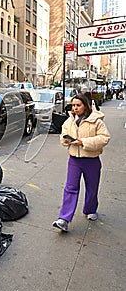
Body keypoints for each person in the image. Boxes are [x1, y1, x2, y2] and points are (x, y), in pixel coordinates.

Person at [53, 94, 110, 232]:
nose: (75, 108)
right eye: (73, 105)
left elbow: (104, 138)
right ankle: (64, 219)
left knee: (92, 187)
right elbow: (62, 136)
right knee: (70, 188)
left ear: (85, 105)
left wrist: (83, 142)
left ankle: (90, 209)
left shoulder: (97, 121)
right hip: (74, 160)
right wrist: (66, 141)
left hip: (91, 160)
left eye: (78, 105)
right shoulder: (69, 121)